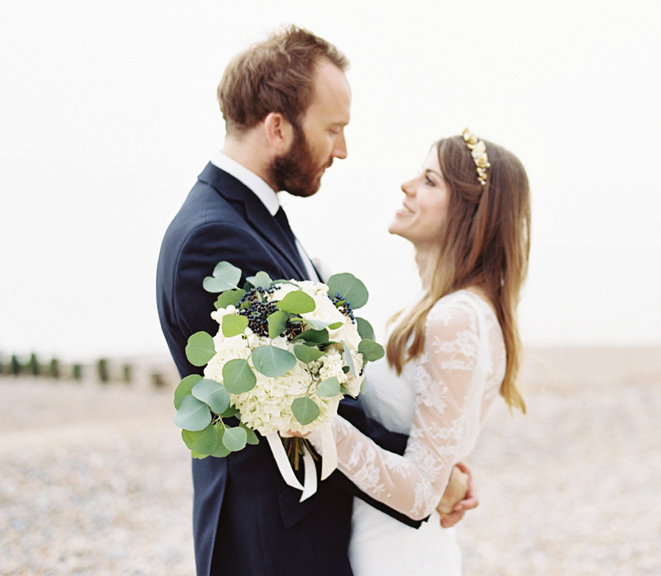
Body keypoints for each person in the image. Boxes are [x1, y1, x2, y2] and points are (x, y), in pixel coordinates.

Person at [155, 26, 472, 576]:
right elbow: (301, 407)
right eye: (333, 129)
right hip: (271, 546)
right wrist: (426, 473)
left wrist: (428, 466)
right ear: (278, 128)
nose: (343, 150)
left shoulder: (255, 220)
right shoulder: (214, 240)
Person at [312, 129, 531, 575]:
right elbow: (430, 449)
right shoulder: (450, 310)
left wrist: (315, 426)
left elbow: (420, 493)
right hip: (382, 538)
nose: (407, 186)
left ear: (472, 214)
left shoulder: (455, 318)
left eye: (430, 180)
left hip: (398, 554)